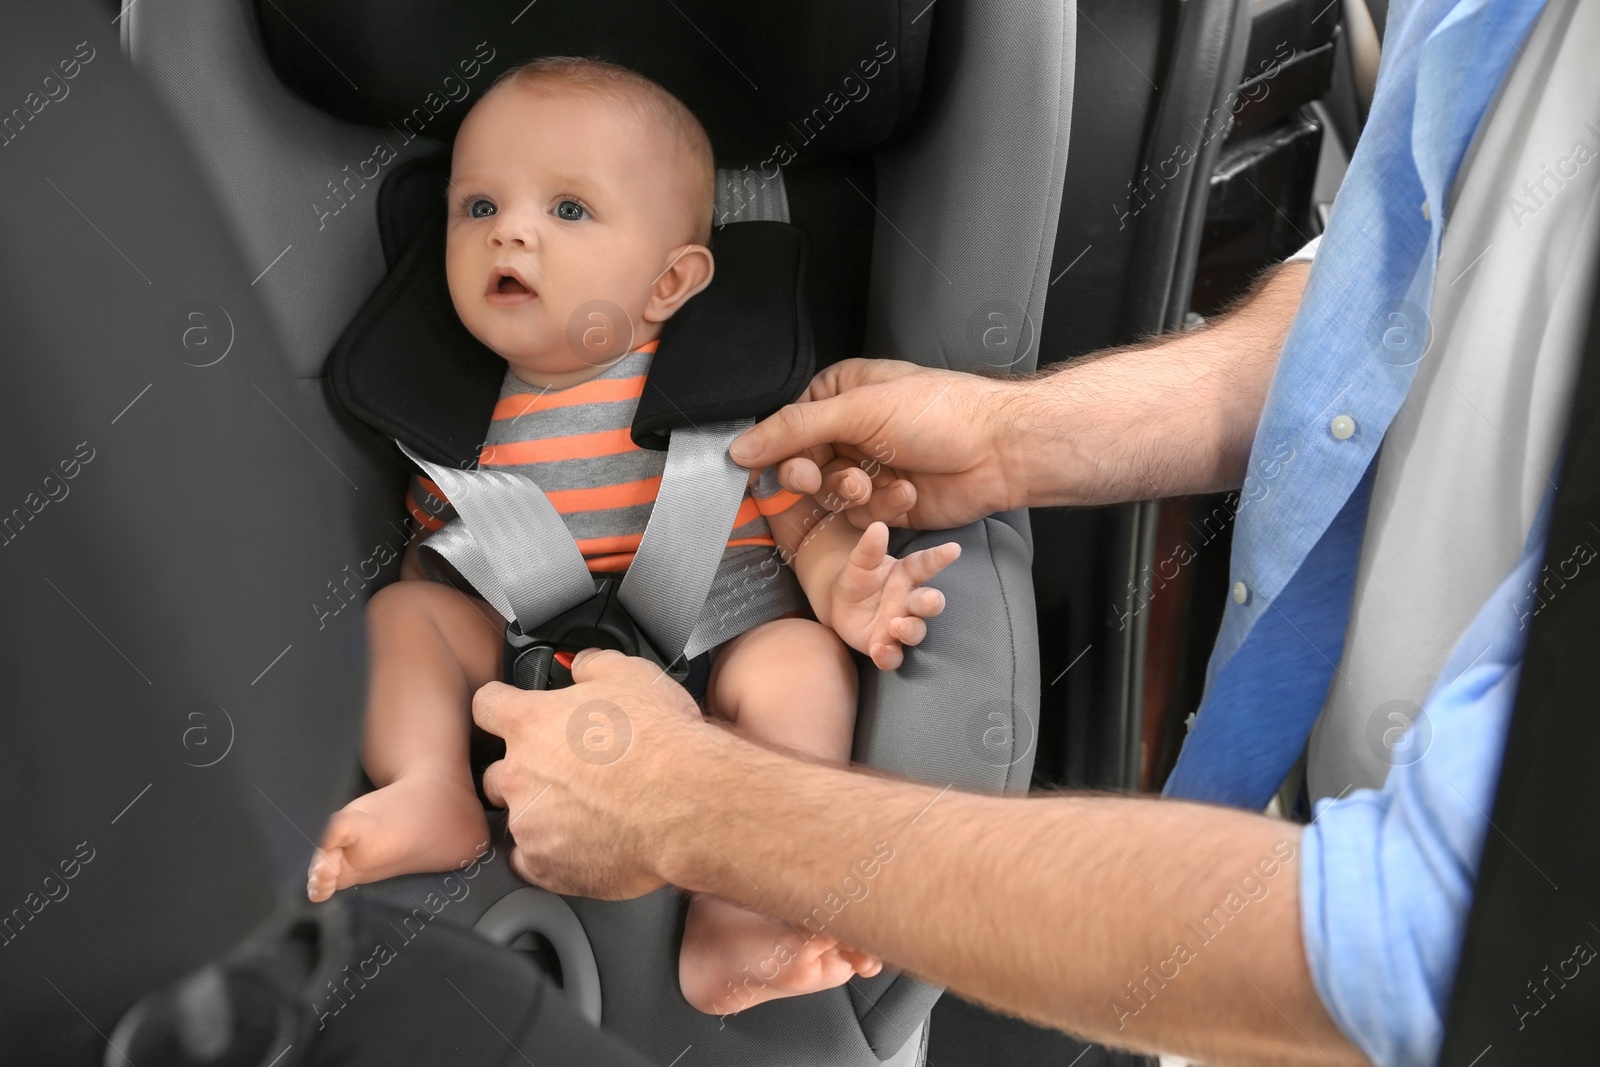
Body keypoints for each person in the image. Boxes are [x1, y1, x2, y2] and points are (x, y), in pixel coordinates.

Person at [465, 0, 1599, 1062]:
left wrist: (698, 808)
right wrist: (1017, 435)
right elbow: (1410, 280)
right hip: (1324, 796)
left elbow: (1421, 943)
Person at [304, 57, 962, 1014]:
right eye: (476, 207)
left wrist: (842, 589)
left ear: (669, 282)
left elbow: (797, 511)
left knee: (800, 668)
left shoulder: (722, 390)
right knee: (401, 617)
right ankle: (431, 786)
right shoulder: (451, 426)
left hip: (712, 659)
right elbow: (438, 570)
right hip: (523, 680)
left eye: (568, 211)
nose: (512, 230)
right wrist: (437, 648)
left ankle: (734, 920)